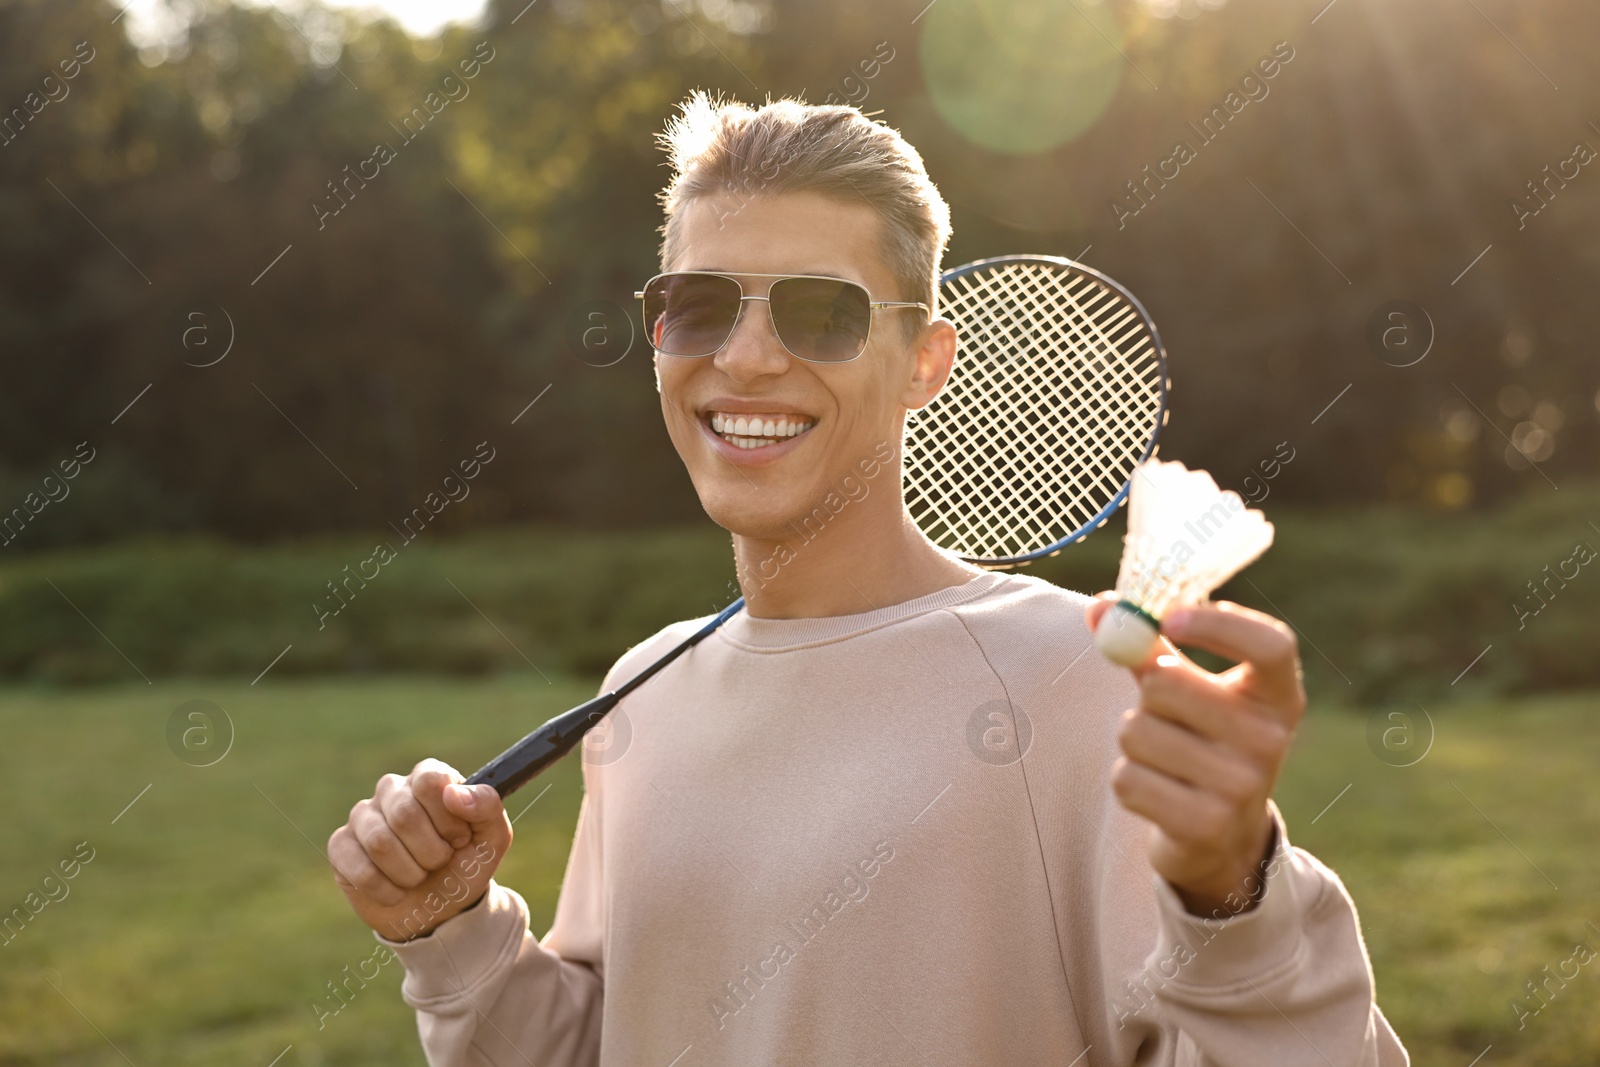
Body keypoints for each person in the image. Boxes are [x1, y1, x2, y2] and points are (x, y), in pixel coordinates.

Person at [326, 92, 1409, 1066]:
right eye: (699, 304)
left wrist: (1235, 894)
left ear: (925, 362)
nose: (744, 358)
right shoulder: (644, 683)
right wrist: (455, 932)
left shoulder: (1075, 676)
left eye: (822, 312)